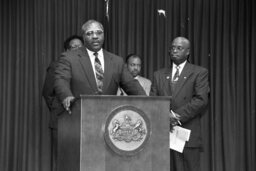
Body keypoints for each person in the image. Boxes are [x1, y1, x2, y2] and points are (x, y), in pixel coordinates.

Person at [54, 19, 146, 113]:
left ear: (104, 35)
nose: (95, 36)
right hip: (79, 115)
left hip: (108, 117)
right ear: (84, 37)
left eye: (99, 33)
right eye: (90, 33)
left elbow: (131, 85)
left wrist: (148, 102)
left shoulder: (116, 61)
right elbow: (61, 81)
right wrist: (66, 96)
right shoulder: (69, 58)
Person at [150, 37, 209, 171]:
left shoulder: (199, 72)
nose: (174, 50)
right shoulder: (158, 74)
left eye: (179, 48)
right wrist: (166, 116)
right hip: (164, 134)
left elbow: (201, 100)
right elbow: (153, 101)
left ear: (187, 52)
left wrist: (176, 117)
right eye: (172, 48)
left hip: (187, 134)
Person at [42, 35, 83, 171]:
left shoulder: (88, 68)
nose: (78, 49)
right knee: (62, 160)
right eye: (74, 47)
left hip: (82, 120)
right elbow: (47, 93)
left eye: (80, 46)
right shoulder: (56, 65)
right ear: (66, 51)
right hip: (60, 119)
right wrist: (57, 109)